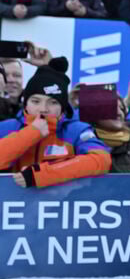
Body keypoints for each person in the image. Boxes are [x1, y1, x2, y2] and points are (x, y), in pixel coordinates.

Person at [0, 58, 111, 187]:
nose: (43, 109)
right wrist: (31, 133)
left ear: (62, 107)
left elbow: (101, 159)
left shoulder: (76, 130)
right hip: (12, 204)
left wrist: (43, 174)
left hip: (62, 203)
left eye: (53, 102)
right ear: (26, 103)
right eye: (36, 101)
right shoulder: (7, 127)